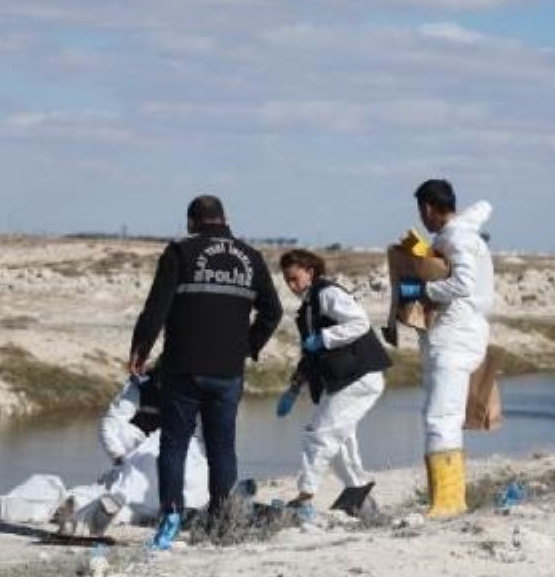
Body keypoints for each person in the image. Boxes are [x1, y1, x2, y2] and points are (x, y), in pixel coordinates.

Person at [129, 195, 283, 549]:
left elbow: (156, 308)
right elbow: (272, 312)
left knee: (174, 445)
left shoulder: (179, 253)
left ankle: (170, 517)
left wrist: (140, 350)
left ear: (191, 222)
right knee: (222, 449)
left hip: (182, 367)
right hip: (228, 371)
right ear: (225, 218)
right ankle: (222, 521)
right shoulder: (251, 257)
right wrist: (247, 347)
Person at [396, 179, 494, 517]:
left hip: (454, 338)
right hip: (460, 334)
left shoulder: (456, 237)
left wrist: (425, 291)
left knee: (442, 418)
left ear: (427, 208)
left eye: (420, 210)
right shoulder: (461, 234)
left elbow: (463, 283)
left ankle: (448, 502)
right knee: (442, 415)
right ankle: (447, 499)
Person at [275, 249, 390, 519]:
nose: (292, 285)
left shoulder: (327, 294)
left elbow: (359, 322)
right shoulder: (308, 309)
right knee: (340, 437)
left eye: (295, 278)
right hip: (344, 380)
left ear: (310, 272)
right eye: (287, 280)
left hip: (359, 376)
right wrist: (294, 389)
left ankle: (305, 497)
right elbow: (310, 354)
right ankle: (358, 492)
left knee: (320, 434)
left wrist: (325, 337)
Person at [93, 362, 209, 519]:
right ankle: (125, 492)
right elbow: (109, 424)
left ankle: (186, 507)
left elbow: (206, 433)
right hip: (139, 453)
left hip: (181, 447)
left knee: (195, 469)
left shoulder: (196, 391)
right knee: (123, 432)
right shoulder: (139, 387)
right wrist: (119, 459)